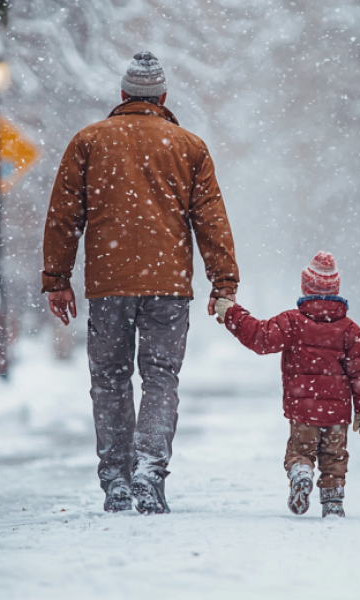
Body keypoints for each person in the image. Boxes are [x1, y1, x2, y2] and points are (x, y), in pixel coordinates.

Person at [42, 51, 239, 515]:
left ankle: (116, 480)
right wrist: (223, 282)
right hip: (168, 287)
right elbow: (211, 221)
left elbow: (63, 217)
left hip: (108, 286)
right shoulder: (189, 147)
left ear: (124, 95)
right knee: (160, 380)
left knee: (109, 381)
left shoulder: (88, 141)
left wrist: (57, 278)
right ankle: (151, 470)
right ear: (163, 97)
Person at [214, 252, 360, 517]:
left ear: (306, 288)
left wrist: (232, 313)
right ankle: (333, 503)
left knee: (300, 451)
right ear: (336, 289)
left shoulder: (292, 322)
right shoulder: (350, 330)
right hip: (338, 415)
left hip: (304, 410)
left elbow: (259, 337)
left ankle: (301, 472)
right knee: (334, 458)